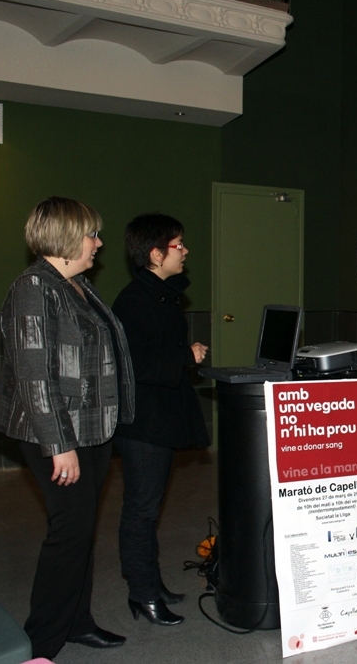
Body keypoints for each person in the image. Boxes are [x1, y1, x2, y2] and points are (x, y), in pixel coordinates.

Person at [0, 196, 135, 659]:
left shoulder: (76, 284)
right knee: (68, 532)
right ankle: (41, 643)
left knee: (80, 527)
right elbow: (34, 376)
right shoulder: (34, 287)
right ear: (67, 238)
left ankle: (77, 621)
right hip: (56, 433)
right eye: (92, 234)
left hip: (91, 427)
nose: (99, 243)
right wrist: (60, 446)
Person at [112, 213, 210, 626]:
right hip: (144, 424)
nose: (185, 251)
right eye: (178, 245)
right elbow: (136, 364)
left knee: (149, 508)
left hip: (159, 419)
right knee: (142, 510)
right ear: (155, 253)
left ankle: (150, 583)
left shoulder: (160, 295)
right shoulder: (135, 300)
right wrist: (185, 356)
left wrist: (180, 354)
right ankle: (144, 594)